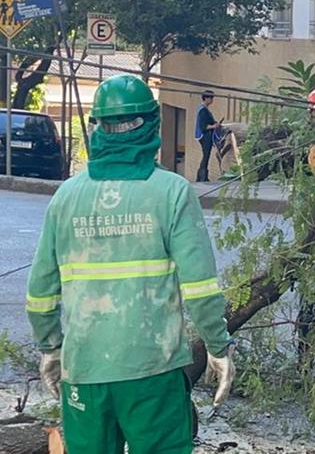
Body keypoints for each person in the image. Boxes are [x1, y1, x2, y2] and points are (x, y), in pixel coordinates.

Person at [25, 74, 235, 454]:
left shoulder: (66, 197)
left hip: (84, 370)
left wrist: (51, 348)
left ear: (98, 127)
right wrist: (219, 347)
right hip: (152, 372)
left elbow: (40, 291)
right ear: (152, 124)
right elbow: (201, 289)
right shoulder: (171, 192)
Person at [195, 90, 220, 182]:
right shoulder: (202, 110)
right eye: (211, 98)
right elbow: (203, 126)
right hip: (204, 136)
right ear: (206, 98)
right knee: (206, 155)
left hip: (207, 135)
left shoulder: (205, 109)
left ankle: (202, 176)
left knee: (206, 155)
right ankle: (202, 177)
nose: (212, 100)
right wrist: (214, 126)